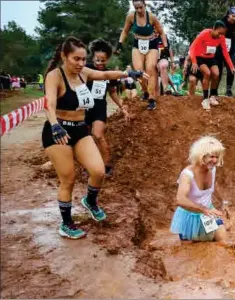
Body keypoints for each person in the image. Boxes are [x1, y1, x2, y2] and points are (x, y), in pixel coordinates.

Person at [42, 36, 147, 239]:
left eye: (83, 59)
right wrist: (55, 125)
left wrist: (128, 73)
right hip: (59, 132)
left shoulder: (85, 73)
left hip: (80, 129)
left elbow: (106, 73)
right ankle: (66, 223)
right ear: (64, 56)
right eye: (76, 59)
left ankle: (90, 201)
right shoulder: (55, 76)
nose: (81, 64)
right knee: (69, 179)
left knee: (98, 171)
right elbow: (50, 104)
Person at [170, 136, 235, 247]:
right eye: (212, 157)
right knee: (189, 251)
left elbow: (214, 186)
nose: (215, 160)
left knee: (225, 243)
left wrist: (224, 203)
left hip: (208, 214)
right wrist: (203, 209)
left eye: (217, 157)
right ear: (201, 155)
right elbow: (180, 200)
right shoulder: (187, 174)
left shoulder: (212, 168)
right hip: (189, 219)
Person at [85, 39, 130, 178]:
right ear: (93, 58)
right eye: (97, 60)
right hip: (84, 108)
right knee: (86, 138)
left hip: (99, 108)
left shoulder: (110, 75)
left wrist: (122, 107)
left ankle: (107, 166)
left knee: (98, 135)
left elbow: (113, 92)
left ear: (107, 59)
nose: (99, 63)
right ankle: (88, 165)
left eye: (103, 60)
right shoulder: (86, 69)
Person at [117, 0, 169, 110]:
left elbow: (161, 32)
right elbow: (125, 31)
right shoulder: (131, 17)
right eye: (136, 8)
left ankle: (151, 98)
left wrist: (166, 47)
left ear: (145, 5)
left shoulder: (152, 17)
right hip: (137, 44)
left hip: (151, 44)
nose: (139, 10)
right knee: (138, 71)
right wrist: (120, 43)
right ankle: (145, 92)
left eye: (141, 7)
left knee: (150, 68)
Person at [189, 20, 235, 110]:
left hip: (211, 58)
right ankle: (205, 99)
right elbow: (192, 48)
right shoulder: (204, 34)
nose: (220, 36)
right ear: (214, 29)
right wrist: (194, 61)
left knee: (216, 74)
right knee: (207, 73)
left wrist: (231, 66)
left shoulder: (221, 38)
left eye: (222, 34)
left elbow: (225, 53)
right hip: (200, 57)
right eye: (219, 33)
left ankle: (212, 96)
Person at [216, 6, 235, 97]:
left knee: (231, 70)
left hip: (230, 51)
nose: (234, 18)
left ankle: (228, 90)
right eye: (233, 16)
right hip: (218, 50)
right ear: (228, 15)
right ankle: (215, 91)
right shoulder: (221, 22)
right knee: (218, 71)